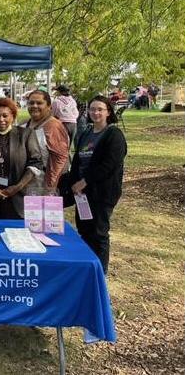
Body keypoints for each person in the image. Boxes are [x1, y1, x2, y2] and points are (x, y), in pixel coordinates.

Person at [67, 96, 127, 274]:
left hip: (102, 192)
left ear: (108, 111)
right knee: (84, 230)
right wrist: (73, 182)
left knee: (99, 233)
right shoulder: (86, 133)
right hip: (82, 193)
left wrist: (84, 182)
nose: (95, 112)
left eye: (100, 109)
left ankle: (100, 273)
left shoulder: (114, 135)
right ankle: (88, 269)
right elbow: (78, 159)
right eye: (92, 109)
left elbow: (109, 165)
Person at [0, 98, 43, 219]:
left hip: (21, 197)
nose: (1, 119)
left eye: (5, 116)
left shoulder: (26, 135)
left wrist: (16, 188)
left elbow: (36, 164)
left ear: (12, 116)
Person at [24, 90, 70, 192]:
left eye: (39, 103)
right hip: (29, 181)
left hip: (47, 182)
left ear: (49, 106)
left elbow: (59, 158)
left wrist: (50, 186)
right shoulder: (24, 124)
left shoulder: (54, 126)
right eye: (31, 103)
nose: (34, 106)